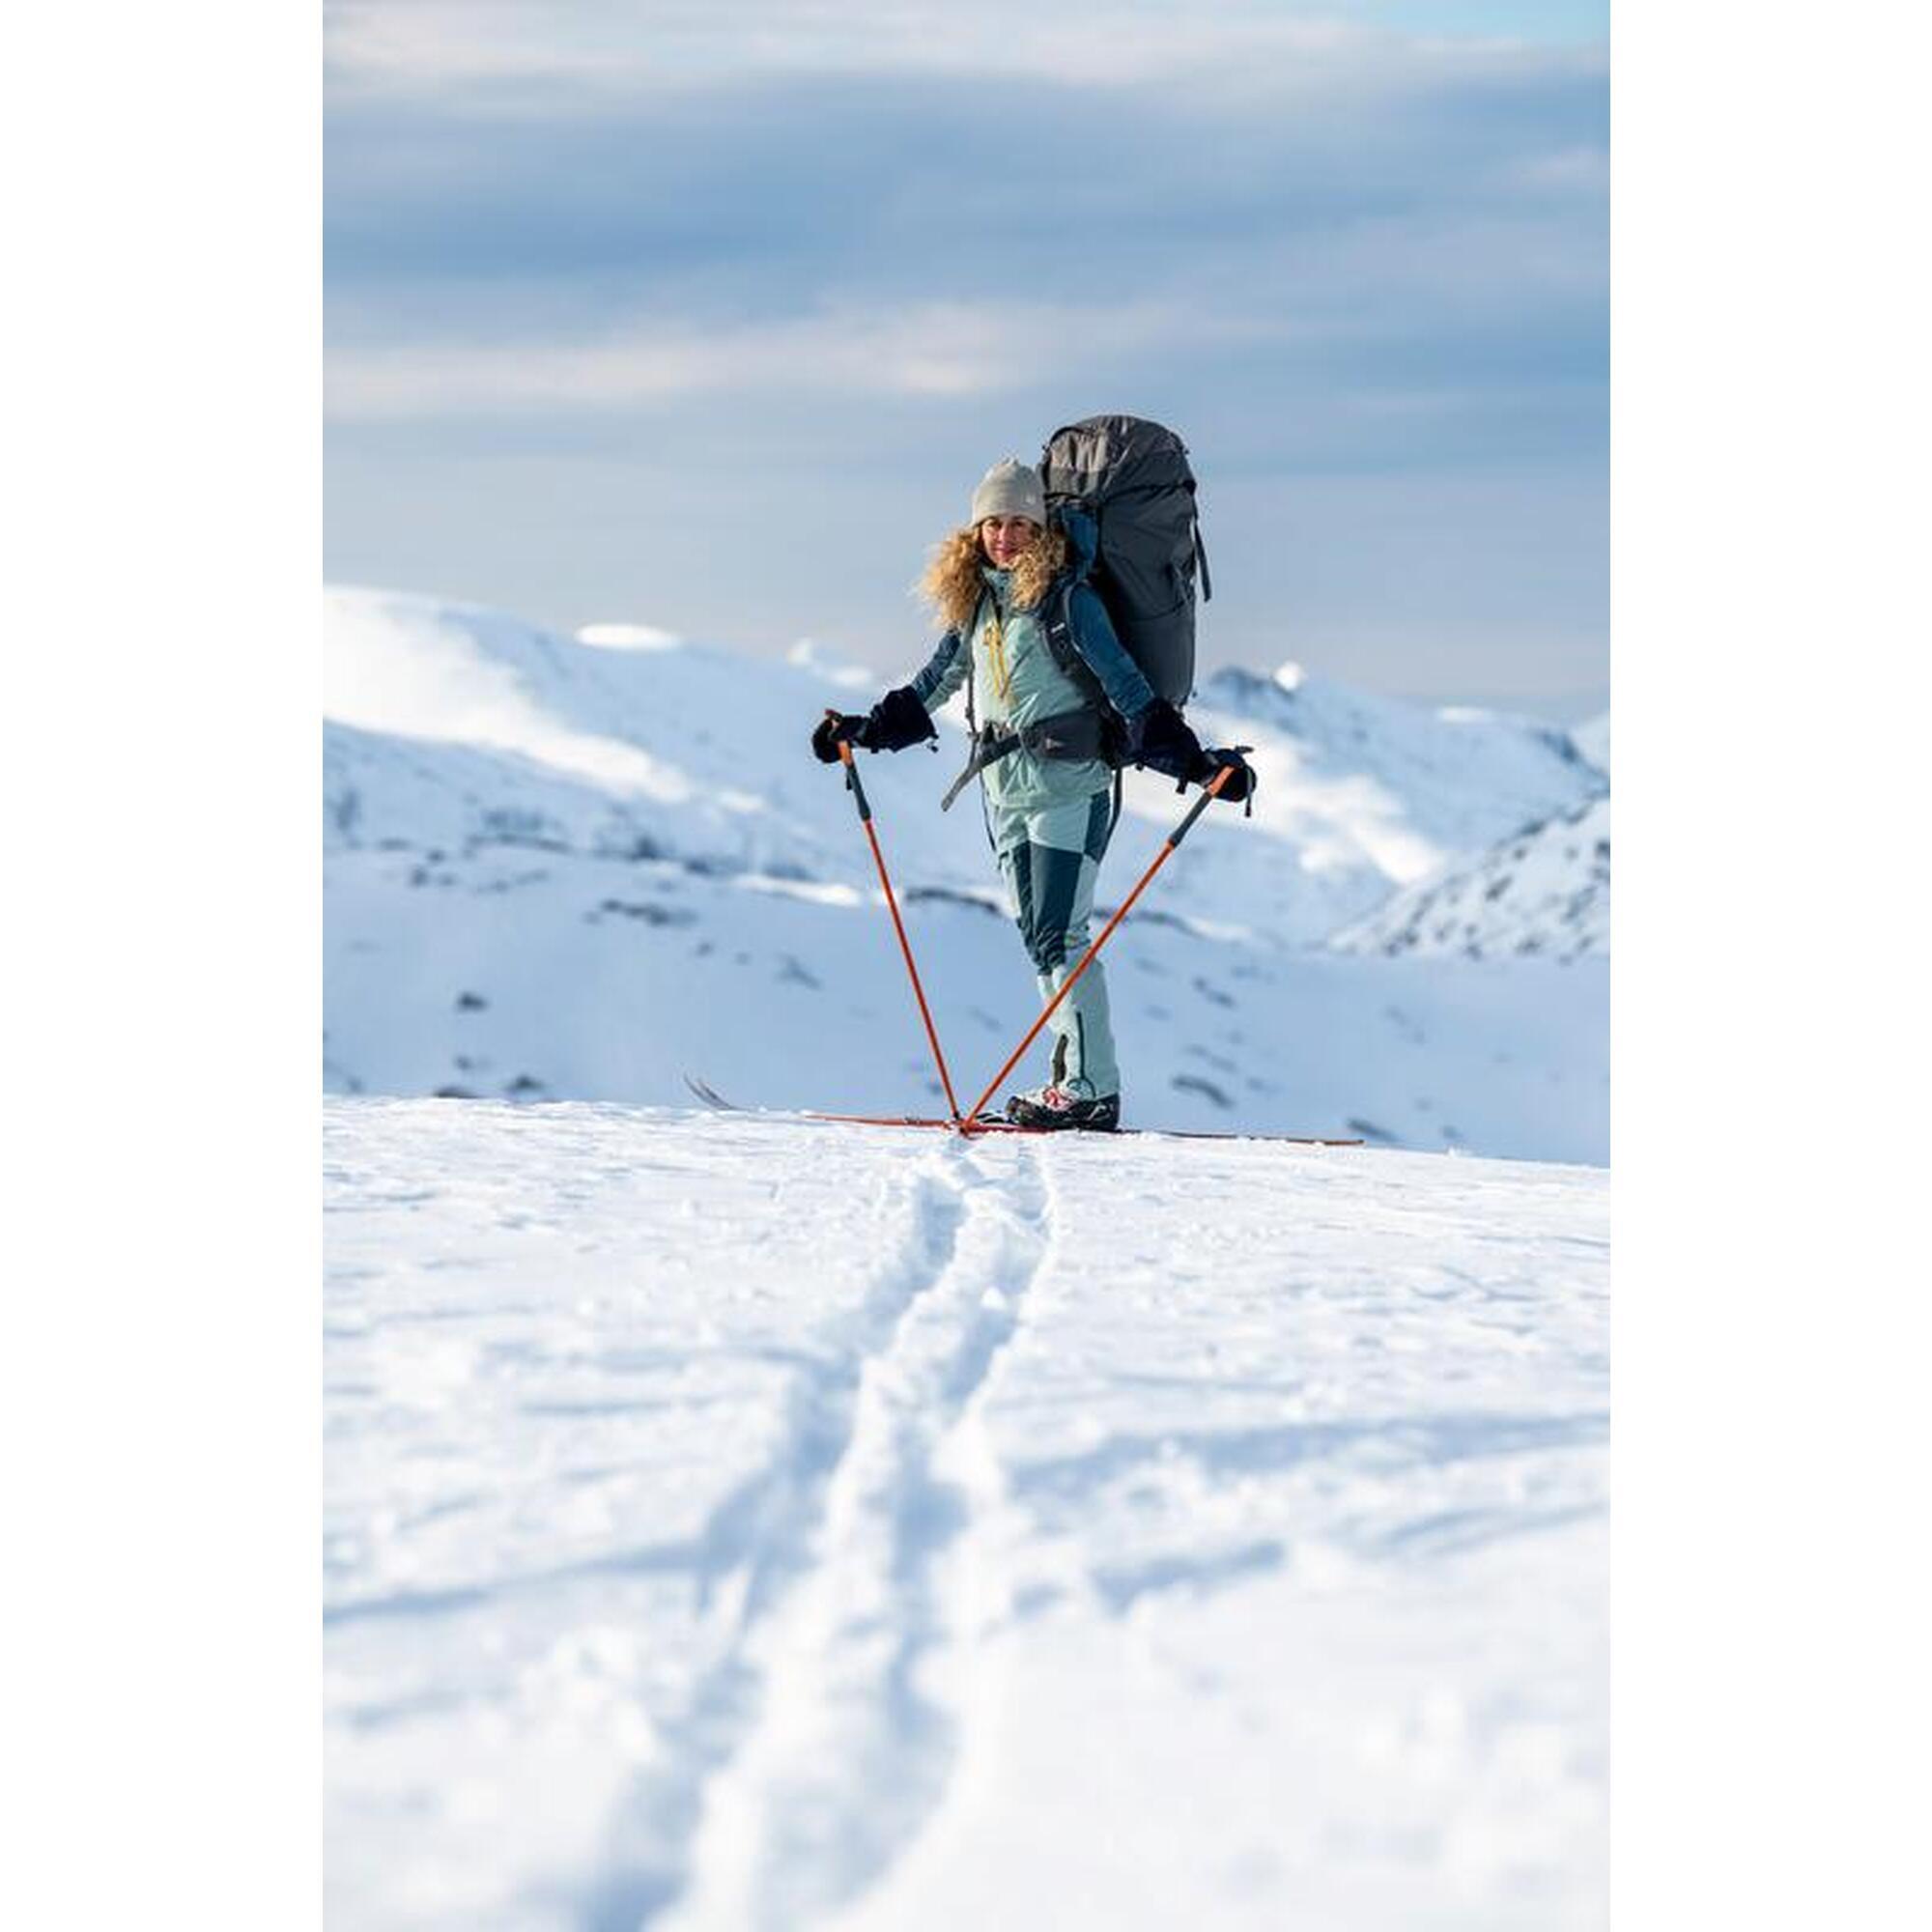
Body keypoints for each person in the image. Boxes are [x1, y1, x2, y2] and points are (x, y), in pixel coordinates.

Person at [811, 457, 1251, 1131]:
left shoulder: (1068, 599)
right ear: (976, 531)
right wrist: (863, 731)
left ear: (1040, 526)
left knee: (1059, 934)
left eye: (1019, 523)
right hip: (1003, 789)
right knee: (1039, 938)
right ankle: (1071, 1080)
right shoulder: (977, 602)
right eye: (994, 523)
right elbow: (934, 682)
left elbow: (1127, 688)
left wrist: (1195, 766)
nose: (1006, 536)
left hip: (1070, 784)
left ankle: (1091, 1090)